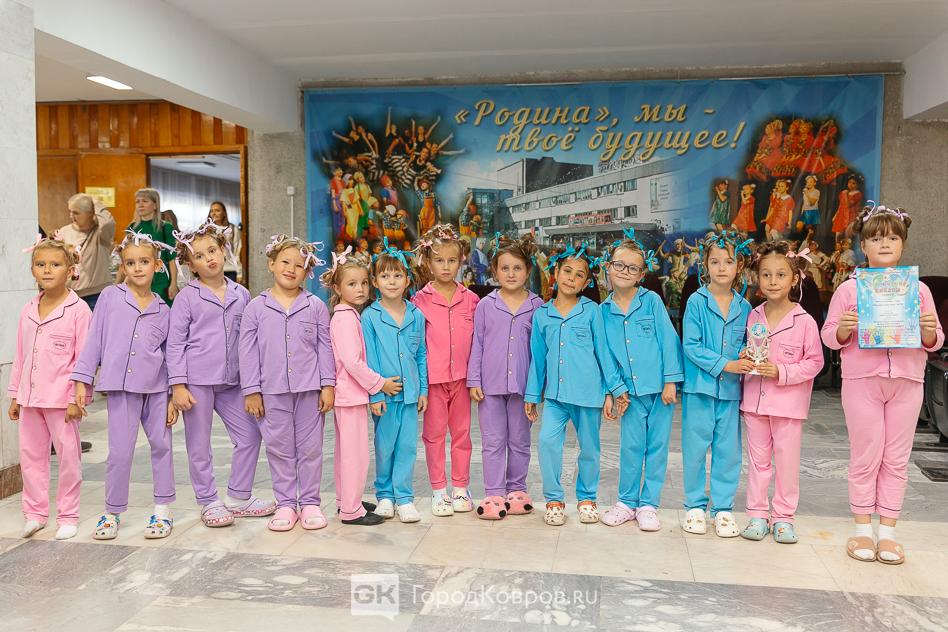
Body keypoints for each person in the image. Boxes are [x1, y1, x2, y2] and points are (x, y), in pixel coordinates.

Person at [822, 204, 943, 565]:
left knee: (896, 458)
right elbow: (829, 336)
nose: (885, 244)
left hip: (907, 381)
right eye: (876, 239)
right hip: (862, 382)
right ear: (863, 246)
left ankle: (887, 533)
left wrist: (928, 331)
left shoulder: (919, 290)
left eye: (892, 237)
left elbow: (936, 340)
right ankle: (862, 528)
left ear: (903, 243)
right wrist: (845, 328)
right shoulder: (849, 290)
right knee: (865, 455)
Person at [167, 222, 276, 528]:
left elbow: (251, 339)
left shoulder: (242, 294)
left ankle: (239, 497)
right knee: (199, 444)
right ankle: (208, 501)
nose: (209, 259)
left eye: (213, 250)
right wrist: (178, 385)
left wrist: (255, 381)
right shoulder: (186, 298)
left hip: (234, 381)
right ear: (191, 265)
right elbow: (175, 344)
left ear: (224, 250)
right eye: (200, 256)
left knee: (251, 435)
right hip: (197, 382)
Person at [71, 230, 177, 540]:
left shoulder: (164, 309)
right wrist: (83, 378)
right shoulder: (109, 297)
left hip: (157, 390)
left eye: (144, 261)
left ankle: (162, 511)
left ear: (157, 265)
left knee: (162, 446)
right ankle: (112, 512)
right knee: (119, 452)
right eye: (131, 263)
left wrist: (172, 394)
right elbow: (94, 339)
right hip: (120, 388)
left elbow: (170, 354)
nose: (138, 268)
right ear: (123, 266)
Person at [525, 245, 629, 526]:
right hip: (556, 397)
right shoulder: (542, 315)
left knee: (590, 449)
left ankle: (587, 498)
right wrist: (532, 395)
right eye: (567, 271)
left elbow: (604, 353)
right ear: (556, 272)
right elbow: (537, 359)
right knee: (547, 442)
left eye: (579, 274)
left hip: (588, 395)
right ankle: (554, 499)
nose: (571, 278)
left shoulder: (592, 311)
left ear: (586, 282)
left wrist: (614, 390)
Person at [238, 235, 336, 532]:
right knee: (279, 448)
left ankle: (310, 502)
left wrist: (328, 385)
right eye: (285, 262)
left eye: (299, 265)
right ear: (271, 264)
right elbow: (247, 351)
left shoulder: (315, 306)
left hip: (309, 391)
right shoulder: (256, 308)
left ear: (308, 272)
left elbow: (324, 347)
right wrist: (252, 391)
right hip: (271, 391)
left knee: (310, 449)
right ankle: (285, 504)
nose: (291, 269)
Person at [740, 241, 824, 544]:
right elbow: (749, 349)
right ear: (758, 278)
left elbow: (815, 362)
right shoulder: (753, 316)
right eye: (766, 275)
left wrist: (782, 372)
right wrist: (744, 356)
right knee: (758, 462)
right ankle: (757, 514)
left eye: (780, 275)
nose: (773, 281)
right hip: (755, 403)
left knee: (787, 464)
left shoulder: (805, 322)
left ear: (794, 279)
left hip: (788, 406)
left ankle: (784, 518)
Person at [599, 231, 683, 531]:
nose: (624, 271)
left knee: (657, 448)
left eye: (632, 268)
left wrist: (671, 381)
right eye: (619, 265)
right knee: (631, 448)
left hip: (659, 391)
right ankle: (626, 502)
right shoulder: (602, 312)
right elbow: (604, 355)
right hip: (629, 395)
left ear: (641, 274)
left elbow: (669, 341)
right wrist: (614, 390)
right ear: (608, 266)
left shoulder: (652, 302)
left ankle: (648, 505)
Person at [8, 236, 90, 540]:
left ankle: (68, 515)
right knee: (31, 458)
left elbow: (84, 359)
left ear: (69, 270)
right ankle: (35, 514)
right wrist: (15, 395)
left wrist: (76, 399)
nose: (47, 270)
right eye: (40, 264)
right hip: (30, 399)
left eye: (55, 264)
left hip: (62, 401)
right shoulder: (28, 309)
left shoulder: (79, 310)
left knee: (69, 459)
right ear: (32, 270)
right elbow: (21, 355)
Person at [680, 230, 754, 538]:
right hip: (699, 388)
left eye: (729, 261)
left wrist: (747, 352)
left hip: (730, 392)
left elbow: (749, 342)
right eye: (715, 261)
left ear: (739, 266)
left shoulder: (745, 307)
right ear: (705, 265)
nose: (722, 267)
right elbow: (691, 345)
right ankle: (695, 507)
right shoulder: (696, 302)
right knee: (695, 449)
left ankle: (723, 509)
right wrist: (726, 364)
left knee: (728, 451)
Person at [321, 248, 401, 526]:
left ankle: (346, 500)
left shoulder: (349, 314)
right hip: (350, 395)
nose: (361, 289)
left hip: (348, 395)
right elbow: (352, 362)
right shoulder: (345, 318)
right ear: (337, 288)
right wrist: (380, 383)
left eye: (364, 283)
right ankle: (351, 511)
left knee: (346, 452)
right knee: (355, 455)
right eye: (352, 284)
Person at [467, 235, 544, 519]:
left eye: (517, 268)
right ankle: (494, 493)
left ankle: (517, 490)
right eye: (505, 268)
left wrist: (537, 387)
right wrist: (474, 380)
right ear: (495, 271)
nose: (511, 274)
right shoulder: (486, 305)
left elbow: (540, 351)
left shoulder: (538, 306)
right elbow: (477, 343)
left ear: (527, 271)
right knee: (493, 441)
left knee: (520, 441)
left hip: (523, 387)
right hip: (490, 385)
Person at [411, 225, 480, 517]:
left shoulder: (472, 300)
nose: (446, 266)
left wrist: (476, 378)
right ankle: (439, 490)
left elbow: (478, 342)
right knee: (434, 435)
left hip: (462, 380)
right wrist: (420, 385)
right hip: (433, 381)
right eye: (439, 260)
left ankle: (461, 488)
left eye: (452, 260)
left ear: (461, 260)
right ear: (428, 262)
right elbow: (416, 346)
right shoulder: (419, 301)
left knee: (462, 434)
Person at [362, 244, 428, 523]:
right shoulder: (370, 317)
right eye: (385, 276)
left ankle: (404, 498)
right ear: (375, 282)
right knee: (385, 446)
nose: (391, 281)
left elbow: (421, 354)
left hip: (410, 396)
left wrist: (423, 389)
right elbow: (369, 356)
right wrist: (377, 392)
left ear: (407, 280)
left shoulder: (416, 315)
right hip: (385, 397)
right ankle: (385, 495)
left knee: (407, 446)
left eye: (397, 276)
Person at [57, 193, 116, 311]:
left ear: (90, 213)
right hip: (71, 293)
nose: (71, 216)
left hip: (98, 294)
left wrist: (95, 202)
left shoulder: (101, 233)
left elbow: (107, 223)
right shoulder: (64, 231)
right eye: (70, 212)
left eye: (76, 213)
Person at [120, 189, 178, 304]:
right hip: (137, 281)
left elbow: (172, 259)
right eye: (137, 201)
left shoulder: (165, 227)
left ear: (155, 205)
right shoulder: (132, 227)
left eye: (145, 201)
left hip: (161, 283)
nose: (140, 204)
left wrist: (173, 283)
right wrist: (117, 284)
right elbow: (125, 259)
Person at [208, 201, 243, 283]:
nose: (214, 213)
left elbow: (237, 251)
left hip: (229, 270)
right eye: (212, 211)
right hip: (211, 270)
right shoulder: (206, 230)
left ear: (224, 213)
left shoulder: (233, 229)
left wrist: (239, 272)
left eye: (217, 210)